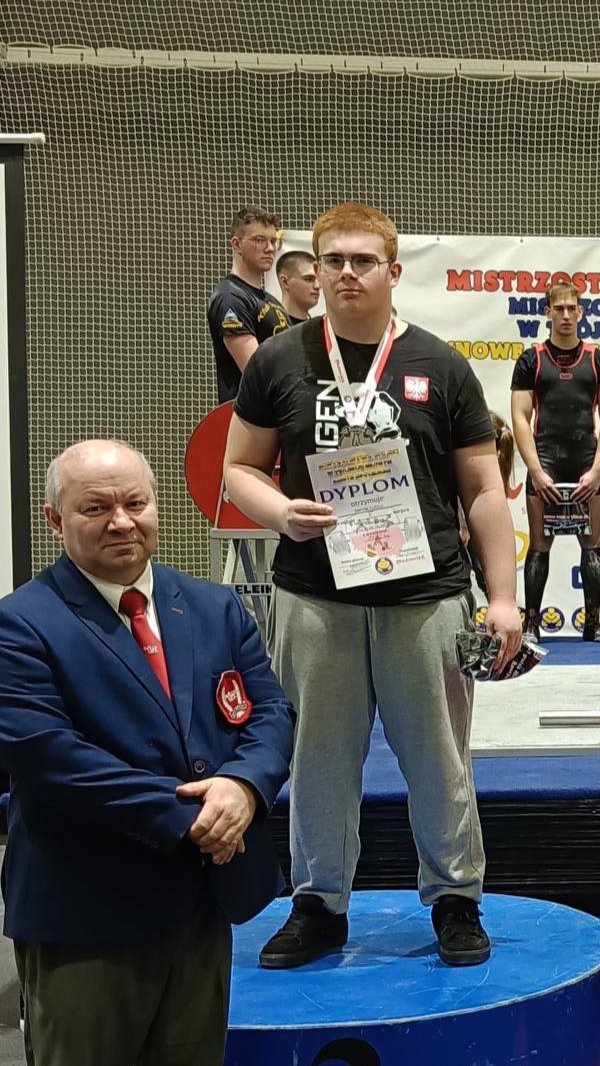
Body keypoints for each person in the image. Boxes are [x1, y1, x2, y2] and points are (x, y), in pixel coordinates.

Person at [0, 439, 294, 1066]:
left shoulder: (211, 605)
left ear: (157, 506)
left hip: (200, 892)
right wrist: (192, 814)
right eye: (96, 507)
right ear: (56, 519)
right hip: (88, 902)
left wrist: (244, 786)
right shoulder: (14, 628)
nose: (121, 521)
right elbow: (49, 760)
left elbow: (268, 712)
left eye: (135, 503)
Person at [223, 201, 521, 971]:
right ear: (314, 271)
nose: (348, 273)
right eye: (334, 260)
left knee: (439, 758)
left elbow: (484, 489)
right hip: (314, 595)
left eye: (363, 260)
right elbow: (239, 468)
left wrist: (503, 598)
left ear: (393, 271)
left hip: (426, 597)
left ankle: (454, 898)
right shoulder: (277, 361)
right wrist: (278, 511)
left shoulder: (440, 366)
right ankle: (319, 904)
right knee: (318, 760)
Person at [510, 280, 600, 642]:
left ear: (581, 312)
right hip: (546, 463)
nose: (566, 315)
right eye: (559, 309)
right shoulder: (531, 360)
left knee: (592, 543)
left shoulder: (598, 360)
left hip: (586, 462)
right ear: (548, 312)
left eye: (572, 308)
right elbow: (520, 418)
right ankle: (531, 624)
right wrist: (535, 471)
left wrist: (598, 470)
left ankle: (593, 624)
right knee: (539, 545)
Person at [206, 207, 289, 403]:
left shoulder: (271, 301)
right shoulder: (230, 297)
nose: (270, 248)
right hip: (251, 417)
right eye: (259, 240)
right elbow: (255, 372)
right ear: (237, 244)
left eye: (273, 241)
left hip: (278, 411)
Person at [275, 249, 320, 323]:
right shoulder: (270, 326)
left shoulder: (319, 326)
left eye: (318, 279)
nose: (317, 286)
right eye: (309, 279)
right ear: (285, 282)